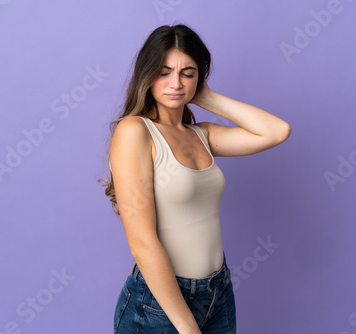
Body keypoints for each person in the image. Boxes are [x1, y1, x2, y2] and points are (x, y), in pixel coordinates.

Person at [100, 24, 291, 334]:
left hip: (218, 291)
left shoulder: (202, 135)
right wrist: (188, 328)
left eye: (187, 73)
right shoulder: (135, 132)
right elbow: (142, 244)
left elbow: (277, 131)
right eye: (164, 72)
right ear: (147, 75)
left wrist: (208, 97)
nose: (175, 83)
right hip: (160, 304)